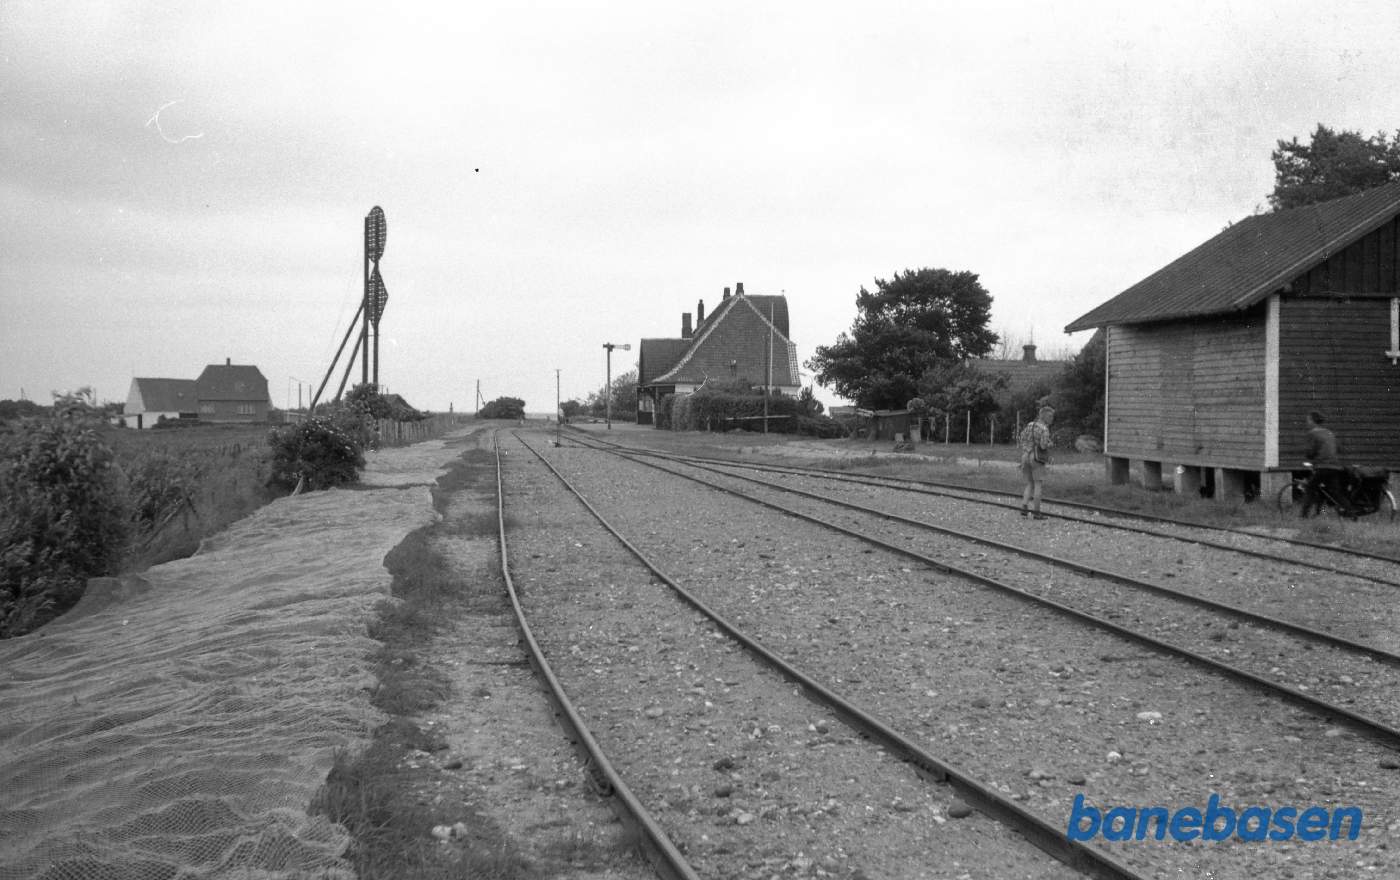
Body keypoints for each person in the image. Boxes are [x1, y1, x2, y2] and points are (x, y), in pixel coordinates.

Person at [1300, 410, 1348, 518]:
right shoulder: (1329, 433)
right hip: (1335, 466)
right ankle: (1351, 514)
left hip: (1322, 466)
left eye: (1308, 420)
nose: (1307, 422)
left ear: (1313, 421)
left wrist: (1310, 456)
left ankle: (1303, 516)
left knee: (1310, 488)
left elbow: (1311, 452)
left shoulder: (1312, 433)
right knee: (1336, 492)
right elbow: (1339, 448)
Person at [1018, 406, 1055, 520]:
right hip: (1036, 458)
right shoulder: (1044, 429)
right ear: (1045, 416)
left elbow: (1021, 438)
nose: (1052, 419)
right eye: (1050, 416)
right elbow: (1043, 446)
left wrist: (1027, 448)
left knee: (1029, 483)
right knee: (1038, 484)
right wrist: (1050, 444)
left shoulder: (1030, 425)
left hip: (1025, 456)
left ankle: (1024, 509)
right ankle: (1036, 512)